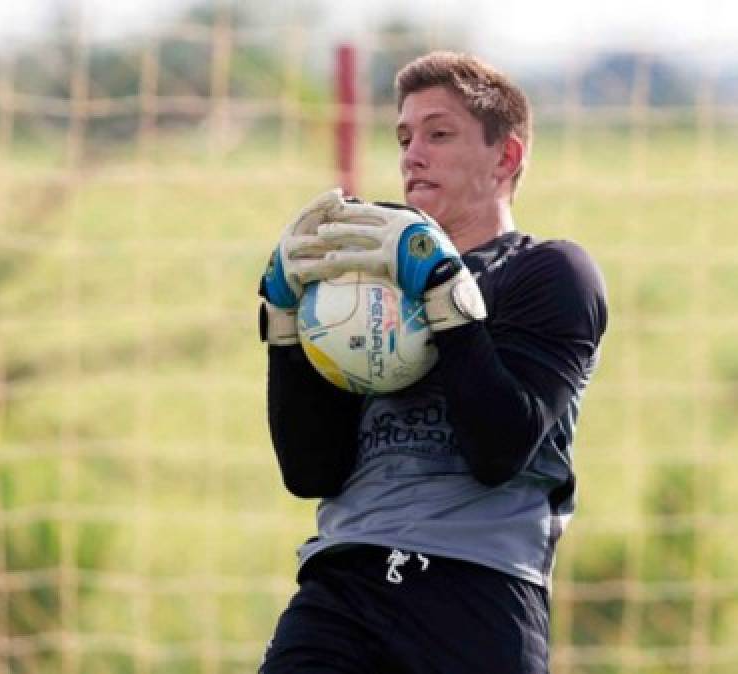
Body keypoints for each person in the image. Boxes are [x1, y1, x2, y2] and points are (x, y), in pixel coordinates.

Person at [256, 51, 608, 673]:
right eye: (404, 137)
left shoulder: (550, 272)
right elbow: (310, 470)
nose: (413, 154)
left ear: (506, 157)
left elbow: (500, 450)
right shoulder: (364, 286)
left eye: (439, 134)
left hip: (478, 592)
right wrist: (285, 328)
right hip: (343, 581)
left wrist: (445, 292)